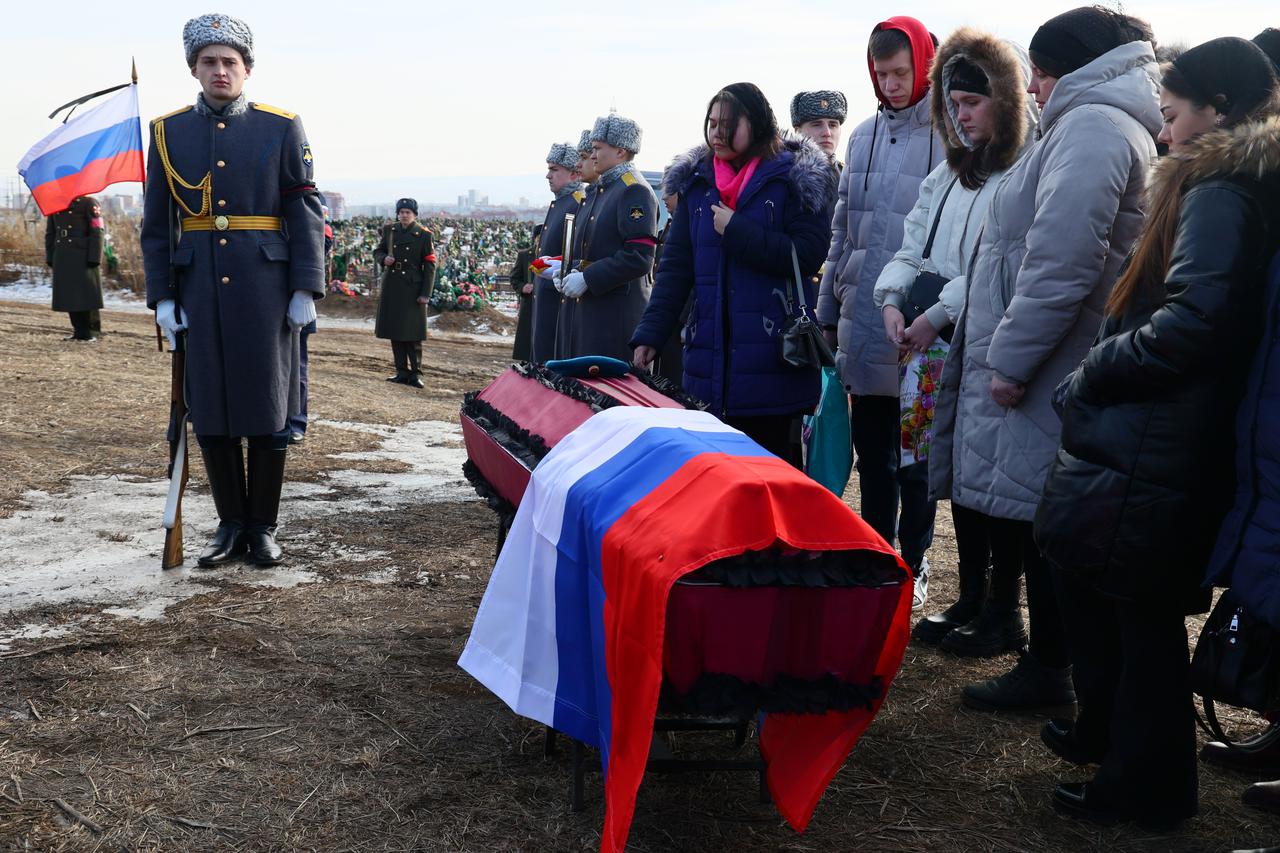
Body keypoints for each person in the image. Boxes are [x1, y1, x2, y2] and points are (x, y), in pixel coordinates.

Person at [1034, 37, 1280, 829]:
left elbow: (1196, 321)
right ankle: (1115, 745)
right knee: (1110, 594)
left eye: (1173, 114)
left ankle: (1145, 785)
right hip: (1168, 436)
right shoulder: (1228, 183)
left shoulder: (1219, 188)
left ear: (1216, 112)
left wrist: (1100, 370)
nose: (1164, 129)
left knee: (1134, 615)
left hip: (1161, 437)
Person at [929, 6, 1161, 710]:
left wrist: (1010, 361)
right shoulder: (1094, 122)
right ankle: (1052, 661)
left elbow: (1061, 263)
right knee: (1042, 520)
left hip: (1051, 363)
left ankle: (1052, 668)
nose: (1031, 86)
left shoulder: (1092, 127)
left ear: (1069, 70)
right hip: (1055, 357)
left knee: (1049, 526)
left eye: (1039, 71)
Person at [872, 29, 1038, 642]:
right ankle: (970, 597)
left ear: (1005, 100)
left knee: (990, 477)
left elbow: (996, 263)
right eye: (953, 104)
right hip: (928, 346)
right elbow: (913, 241)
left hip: (979, 338)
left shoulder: (1018, 176)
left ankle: (1002, 607)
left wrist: (936, 313)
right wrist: (891, 299)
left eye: (971, 102)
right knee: (949, 473)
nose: (959, 116)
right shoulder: (949, 173)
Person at [143, 12, 324, 567]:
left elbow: (304, 208)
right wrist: (164, 296)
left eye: (230, 62)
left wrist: (304, 286)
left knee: (267, 405)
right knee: (212, 407)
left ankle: (262, 527)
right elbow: (157, 223)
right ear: (193, 69)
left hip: (266, 288)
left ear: (247, 69)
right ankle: (228, 526)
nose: (220, 70)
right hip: (199, 287)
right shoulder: (167, 132)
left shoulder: (280, 125)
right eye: (209, 62)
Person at [631, 83, 837, 465]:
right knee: (713, 477)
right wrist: (651, 335)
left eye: (728, 124)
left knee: (768, 477)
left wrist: (739, 230)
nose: (717, 134)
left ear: (757, 123)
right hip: (708, 361)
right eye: (711, 124)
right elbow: (676, 269)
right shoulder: (698, 183)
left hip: (773, 362)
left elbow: (808, 254)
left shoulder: (792, 179)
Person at [818, 17, 940, 605]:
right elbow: (843, 229)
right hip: (862, 316)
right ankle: (873, 556)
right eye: (881, 73)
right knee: (873, 454)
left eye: (901, 72)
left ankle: (913, 565)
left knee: (915, 456)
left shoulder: (950, 134)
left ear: (925, 65)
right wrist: (827, 304)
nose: (891, 84)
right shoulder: (863, 135)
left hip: (921, 322)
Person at [555, 114, 657, 361]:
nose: (592, 155)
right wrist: (569, 270)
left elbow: (639, 256)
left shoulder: (633, 190)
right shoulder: (604, 190)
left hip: (613, 319)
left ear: (620, 151)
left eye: (598, 149)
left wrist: (588, 278)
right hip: (593, 313)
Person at [374, 198, 436, 388]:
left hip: (413, 287)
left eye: (408, 212)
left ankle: (415, 373)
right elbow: (378, 251)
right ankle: (401, 371)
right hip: (393, 285)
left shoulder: (424, 235)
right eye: (401, 212)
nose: (404, 215)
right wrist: (384, 259)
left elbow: (430, 265)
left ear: (414, 215)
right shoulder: (390, 230)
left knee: (412, 333)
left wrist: (426, 293)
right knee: (395, 330)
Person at [530, 143, 583, 362]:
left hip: (558, 305)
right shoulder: (561, 203)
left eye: (554, 170)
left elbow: (578, 254)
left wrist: (556, 265)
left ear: (573, 173)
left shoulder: (577, 204)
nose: (548, 175)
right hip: (545, 300)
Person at [45, 195, 104, 341]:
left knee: (87, 293)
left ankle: (92, 332)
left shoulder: (89, 203)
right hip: (63, 253)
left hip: (83, 254)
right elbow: (50, 233)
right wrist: (50, 256)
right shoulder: (55, 203)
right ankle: (79, 331)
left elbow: (98, 230)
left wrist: (95, 257)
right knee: (70, 294)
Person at [509, 224, 538, 361]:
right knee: (527, 341)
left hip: (546, 305)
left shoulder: (551, 257)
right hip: (529, 304)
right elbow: (514, 278)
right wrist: (522, 287)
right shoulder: (525, 255)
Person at [790, 90, 847, 156]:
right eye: (817, 125)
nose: (827, 133)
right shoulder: (783, 165)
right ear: (798, 132)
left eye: (833, 125)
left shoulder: (852, 166)